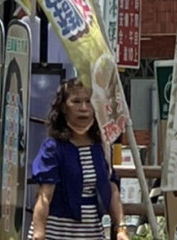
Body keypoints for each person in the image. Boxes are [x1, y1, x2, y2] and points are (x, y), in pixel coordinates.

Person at [29, 78, 129, 240]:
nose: (83, 108)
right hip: (57, 232)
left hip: (92, 231)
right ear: (63, 107)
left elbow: (112, 188)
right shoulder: (53, 148)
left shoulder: (102, 146)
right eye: (76, 101)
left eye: (89, 102)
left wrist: (121, 227)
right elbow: (44, 196)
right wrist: (39, 234)